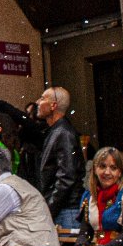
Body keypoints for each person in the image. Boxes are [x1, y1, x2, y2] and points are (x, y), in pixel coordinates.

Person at [34, 85, 83, 230]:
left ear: (53, 105)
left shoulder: (63, 133)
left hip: (66, 210)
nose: (37, 102)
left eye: (42, 98)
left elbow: (66, 177)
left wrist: (49, 208)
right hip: (63, 209)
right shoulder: (57, 132)